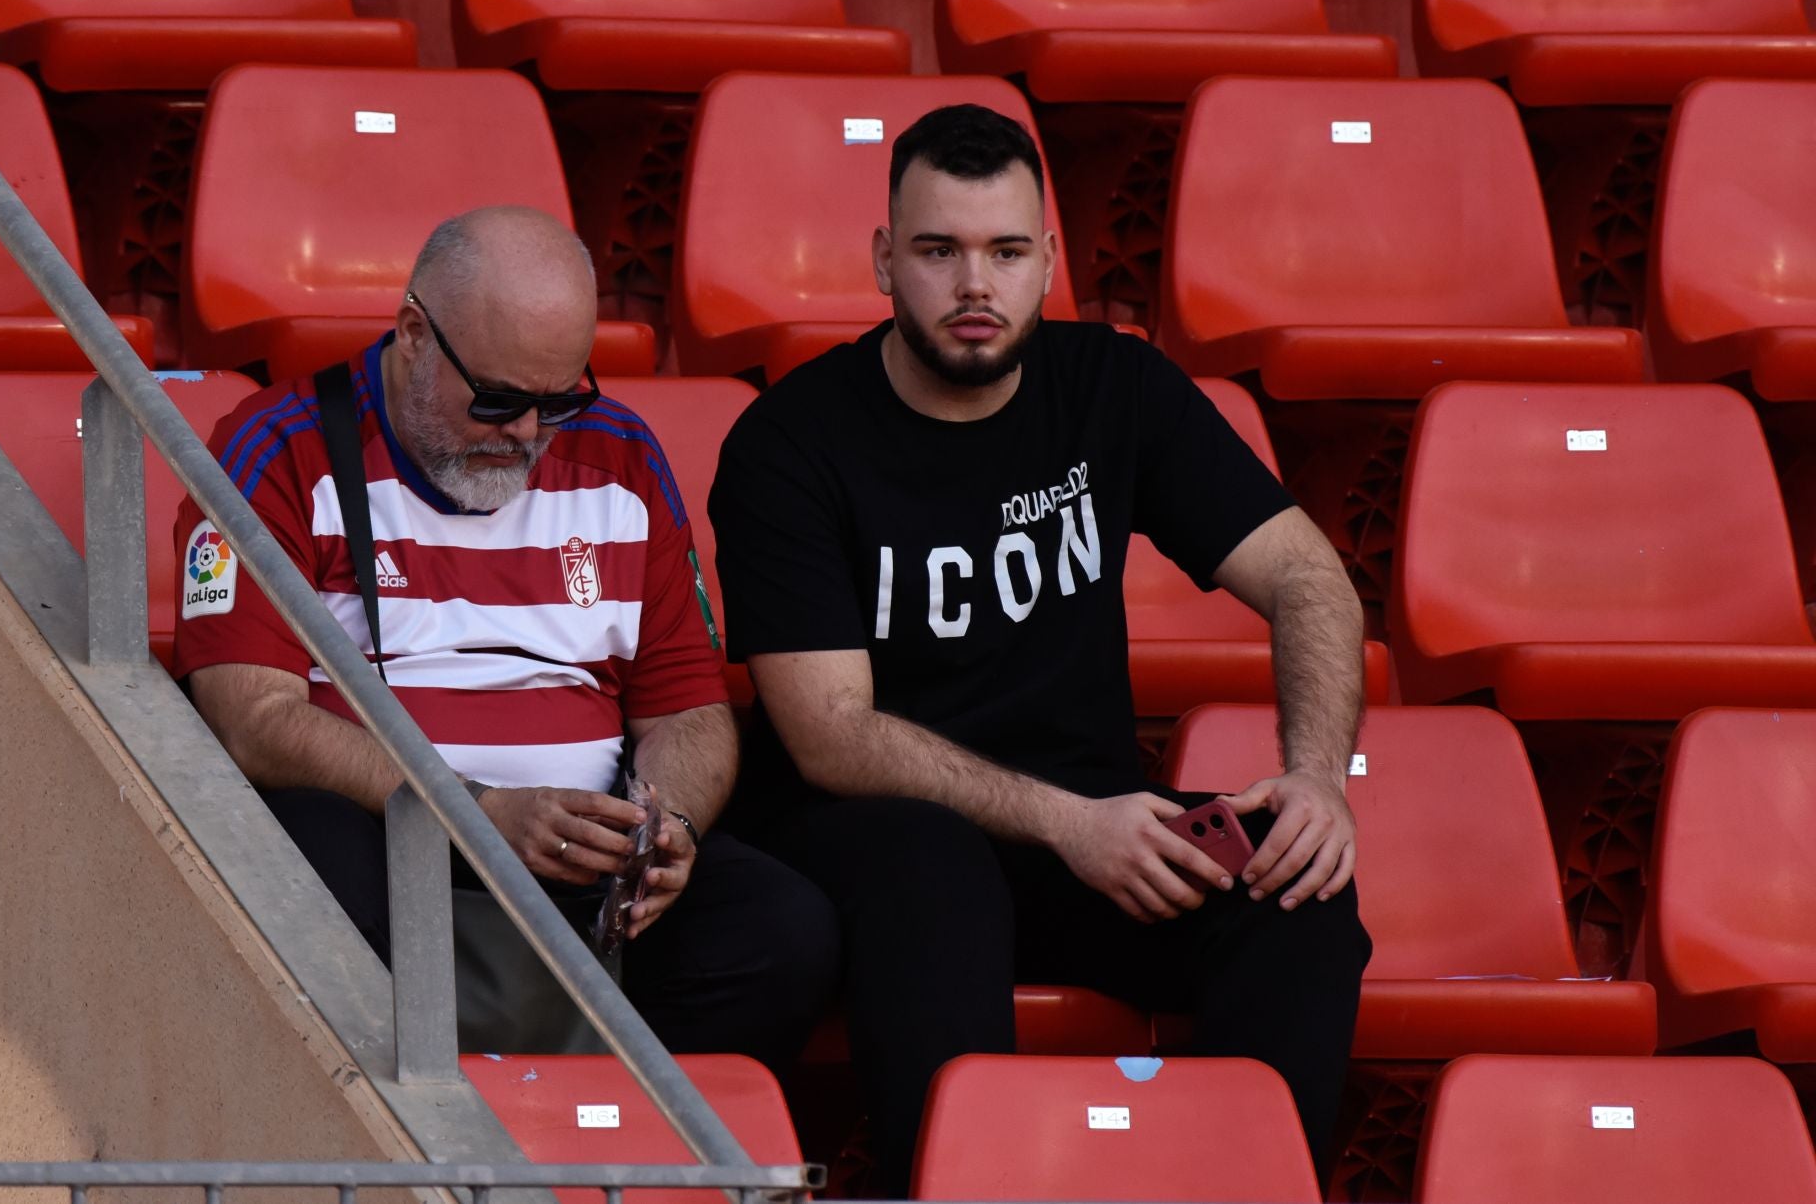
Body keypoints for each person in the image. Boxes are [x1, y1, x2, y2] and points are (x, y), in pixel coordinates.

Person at [708, 106, 1373, 1192]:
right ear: (884, 259)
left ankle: (1223, 1183)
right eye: (939, 251)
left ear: (1049, 261)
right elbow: (828, 736)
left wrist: (1314, 781)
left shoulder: (1114, 386)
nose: (976, 286)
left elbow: (1309, 580)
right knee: (935, 871)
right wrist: (1067, 822)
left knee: (1299, 896)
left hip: (1093, 831)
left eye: (1006, 252)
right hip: (870, 834)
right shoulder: (791, 443)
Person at [174, 205, 837, 1070]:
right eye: (497, 400)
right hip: (392, 834)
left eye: (558, 401)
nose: (527, 434)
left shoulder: (622, 454)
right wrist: (476, 815)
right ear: (413, 333)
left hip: (581, 856)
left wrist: (660, 826)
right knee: (310, 866)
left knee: (782, 931)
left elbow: (691, 712)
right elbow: (251, 719)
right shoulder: (280, 447)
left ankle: (604, 1144)